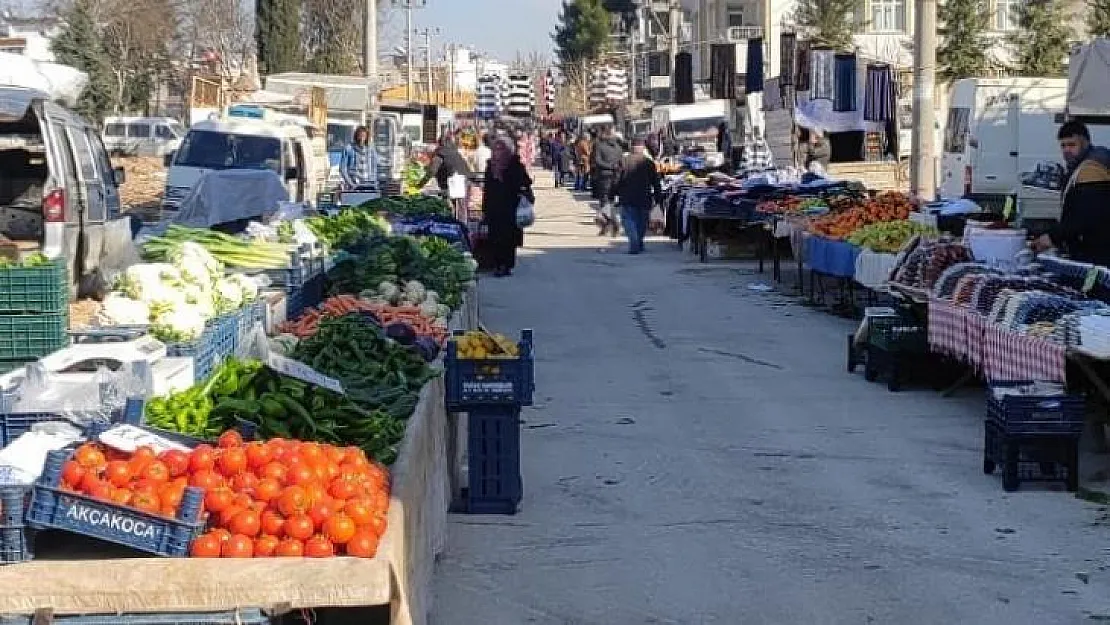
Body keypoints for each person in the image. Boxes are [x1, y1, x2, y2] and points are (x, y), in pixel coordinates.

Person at [1031, 121, 1110, 265]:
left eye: (1072, 145)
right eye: (1063, 145)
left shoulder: (1091, 169)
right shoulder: (1079, 166)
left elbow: (1085, 215)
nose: (1067, 150)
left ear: (1085, 142)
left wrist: (1053, 237)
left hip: (1097, 253)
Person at [483, 137, 534, 277]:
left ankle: (502, 265)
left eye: (500, 149)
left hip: (504, 208)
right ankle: (503, 265)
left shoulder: (503, 165)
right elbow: (525, 181)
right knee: (502, 238)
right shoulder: (503, 165)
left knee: (502, 238)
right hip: (503, 208)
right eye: (496, 149)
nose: (498, 152)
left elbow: (525, 181)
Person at [615, 137, 662, 255]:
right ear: (643, 148)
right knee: (642, 222)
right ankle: (639, 242)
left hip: (627, 196)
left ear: (631, 147)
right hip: (644, 196)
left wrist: (612, 194)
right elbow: (656, 182)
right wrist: (658, 199)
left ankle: (635, 242)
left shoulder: (624, 161)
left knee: (628, 220)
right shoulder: (649, 162)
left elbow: (616, 179)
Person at [590, 125, 624, 237]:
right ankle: (607, 227)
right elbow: (621, 162)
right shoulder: (618, 147)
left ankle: (613, 224)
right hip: (615, 176)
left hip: (604, 176)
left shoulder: (599, 146)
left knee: (605, 202)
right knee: (609, 202)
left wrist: (610, 167)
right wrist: (616, 168)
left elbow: (597, 161)